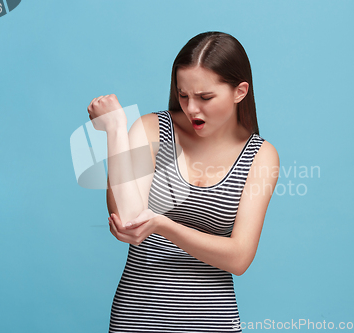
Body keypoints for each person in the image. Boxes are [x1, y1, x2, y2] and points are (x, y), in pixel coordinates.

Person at [87, 31, 279, 332]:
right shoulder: (152, 130)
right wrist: (115, 130)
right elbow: (128, 222)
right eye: (183, 95)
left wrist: (164, 225)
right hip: (138, 318)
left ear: (240, 91)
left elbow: (240, 258)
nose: (191, 108)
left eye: (205, 97)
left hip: (213, 321)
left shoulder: (260, 156)